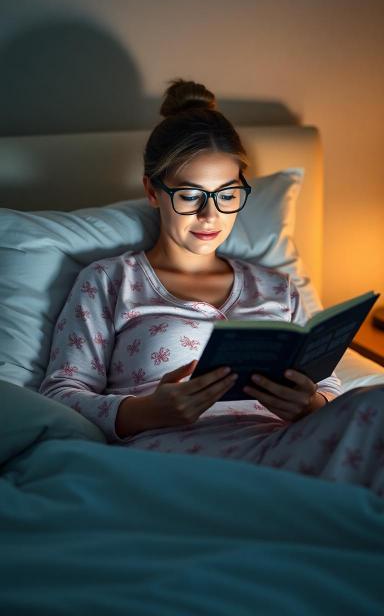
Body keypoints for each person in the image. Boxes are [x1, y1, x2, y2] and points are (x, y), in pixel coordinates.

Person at [39, 78, 384, 498]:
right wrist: (145, 411)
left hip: (287, 447)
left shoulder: (277, 288)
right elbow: (61, 393)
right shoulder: (110, 281)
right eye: (190, 195)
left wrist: (310, 405)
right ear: (153, 191)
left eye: (227, 194)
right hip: (178, 457)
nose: (210, 215)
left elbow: (326, 381)